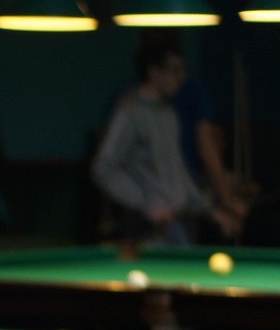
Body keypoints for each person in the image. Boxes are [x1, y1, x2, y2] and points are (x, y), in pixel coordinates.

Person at [92, 41, 241, 246]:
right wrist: (146, 204)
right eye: (175, 70)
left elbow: (179, 175)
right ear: (154, 73)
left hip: (175, 226)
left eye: (183, 70)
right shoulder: (130, 112)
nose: (182, 77)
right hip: (146, 231)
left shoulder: (168, 114)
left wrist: (213, 212)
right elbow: (103, 168)